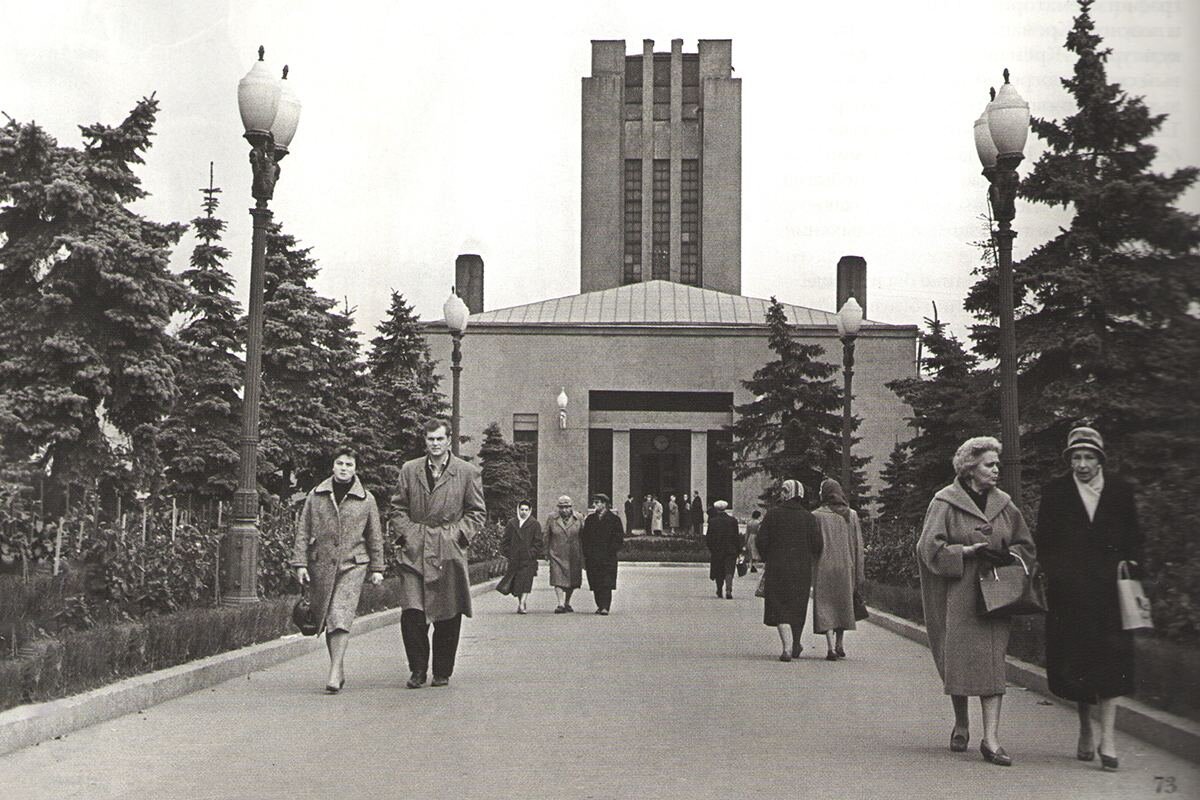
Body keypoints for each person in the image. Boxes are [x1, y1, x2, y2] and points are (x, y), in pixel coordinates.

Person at [916, 436, 1036, 767]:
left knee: (994, 663)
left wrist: (1007, 554)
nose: (997, 470)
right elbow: (928, 548)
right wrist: (963, 553)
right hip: (959, 596)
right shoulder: (944, 502)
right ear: (970, 468)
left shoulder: (1006, 505)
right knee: (959, 661)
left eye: (997, 463)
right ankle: (961, 722)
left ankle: (992, 739)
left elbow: (1026, 546)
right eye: (990, 464)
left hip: (997, 598)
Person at [1035, 427, 1142, 772]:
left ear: (1100, 459)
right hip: (1072, 596)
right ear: (1069, 460)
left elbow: (1135, 539)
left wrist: (1132, 565)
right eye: (1076, 458)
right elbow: (1045, 544)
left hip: (1111, 594)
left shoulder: (1121, 492)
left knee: (1112, 665)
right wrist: (1062, 575)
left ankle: (1107, 739)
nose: (1082, 465)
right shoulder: (1056, 493)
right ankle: (1084, 727)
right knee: (1079, 666)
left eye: (1088, 458)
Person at [389, 418, 487, 689]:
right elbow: (397, 508)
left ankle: (442, 670)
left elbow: (477, 512)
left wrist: (457, 536)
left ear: (448, 440)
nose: (435, 444)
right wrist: (409, 534)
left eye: (439, 439)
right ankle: (417, 669)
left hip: (448, 550)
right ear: (425, 441)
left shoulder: (466, 472)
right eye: (430, 439)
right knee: (412, 613)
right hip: (416, 550)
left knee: (448, 612)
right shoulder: (410, 470)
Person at [291, 447, 385, 694]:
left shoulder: (366, 499)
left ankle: (333, 672)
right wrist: (300, 563)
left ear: (356, 469)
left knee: (339, 614)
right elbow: (303, 530)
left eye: (349, 465)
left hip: (353, 565)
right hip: (321, 564)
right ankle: (339, 668)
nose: (344, 468)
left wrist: (377, 567)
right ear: (333, 466)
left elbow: (375, 536)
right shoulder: (317, 495)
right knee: (328, 616)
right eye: (340, 463)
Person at [755, 479, 823, 661]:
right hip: (801, 570)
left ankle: (786, 647)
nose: (781, 494)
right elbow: (817, 545)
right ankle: (795, 643)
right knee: (797, 607)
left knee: (779, 606)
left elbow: (761, 541)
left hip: (777, 568)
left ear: (788, 494)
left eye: (783, 491)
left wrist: (767, 556)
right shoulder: (809, 518)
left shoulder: (773, 515)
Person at [811, 478, 865, 661]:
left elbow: (814, 545)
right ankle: (839, 643)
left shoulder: (816, 515)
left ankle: (829, 648)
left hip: (823, 567)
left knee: (825, 606)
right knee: (843, 604)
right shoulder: (851, 515)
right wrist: (859, 571)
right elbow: (858, 545)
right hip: (845, 567)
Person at [580, 493, 624, 614]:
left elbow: (618, 538)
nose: (594, 505)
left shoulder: (614, 520)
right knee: (595, 583)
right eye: (594, 502)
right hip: (593, 558)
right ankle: (599, 605)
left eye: (597, 502)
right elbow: (585, 538)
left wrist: (611, 550)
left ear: (604, 504)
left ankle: (605, 607)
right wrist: (587, 553)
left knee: (606, 583)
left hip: (607, 557)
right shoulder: (590, 519)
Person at [498, 500, 542, 614]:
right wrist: (509, 553)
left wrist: (531, 553)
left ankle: (522, 604)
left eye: (526, 510)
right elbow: (505, 540)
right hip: (515, 559)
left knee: (526, 582)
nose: (524, 512)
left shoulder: (535, 524)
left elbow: (538, 542)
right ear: (518, 510)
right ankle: (521, 602)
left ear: (530, 511)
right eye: (522, 509)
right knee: (518, 583)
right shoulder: (512, 523)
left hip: (528, 560)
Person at [545, 494, 584, 613]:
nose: (564, 510)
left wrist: (584, 554)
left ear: (571, 507)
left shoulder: (579, 518)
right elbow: (546, 535)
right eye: (561, 507)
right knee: (557, 578)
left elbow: (583, 536)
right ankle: (560, 604)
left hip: (574, 553)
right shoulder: (552, 518)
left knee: (572, 580)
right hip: (556, 553)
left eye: (567, 507)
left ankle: (567, 602)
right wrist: (546, 552)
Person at [705, 500, 742, 598]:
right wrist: (738, 550)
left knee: (719, 570)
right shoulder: (733, 521)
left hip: (717, 550)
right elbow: (736, 537)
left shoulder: (713, 521)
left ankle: (719, 590)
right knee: (729, 570)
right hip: (731, 550)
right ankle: (729, 590)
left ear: (716, 509)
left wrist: (712, 548)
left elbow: (709, 537)